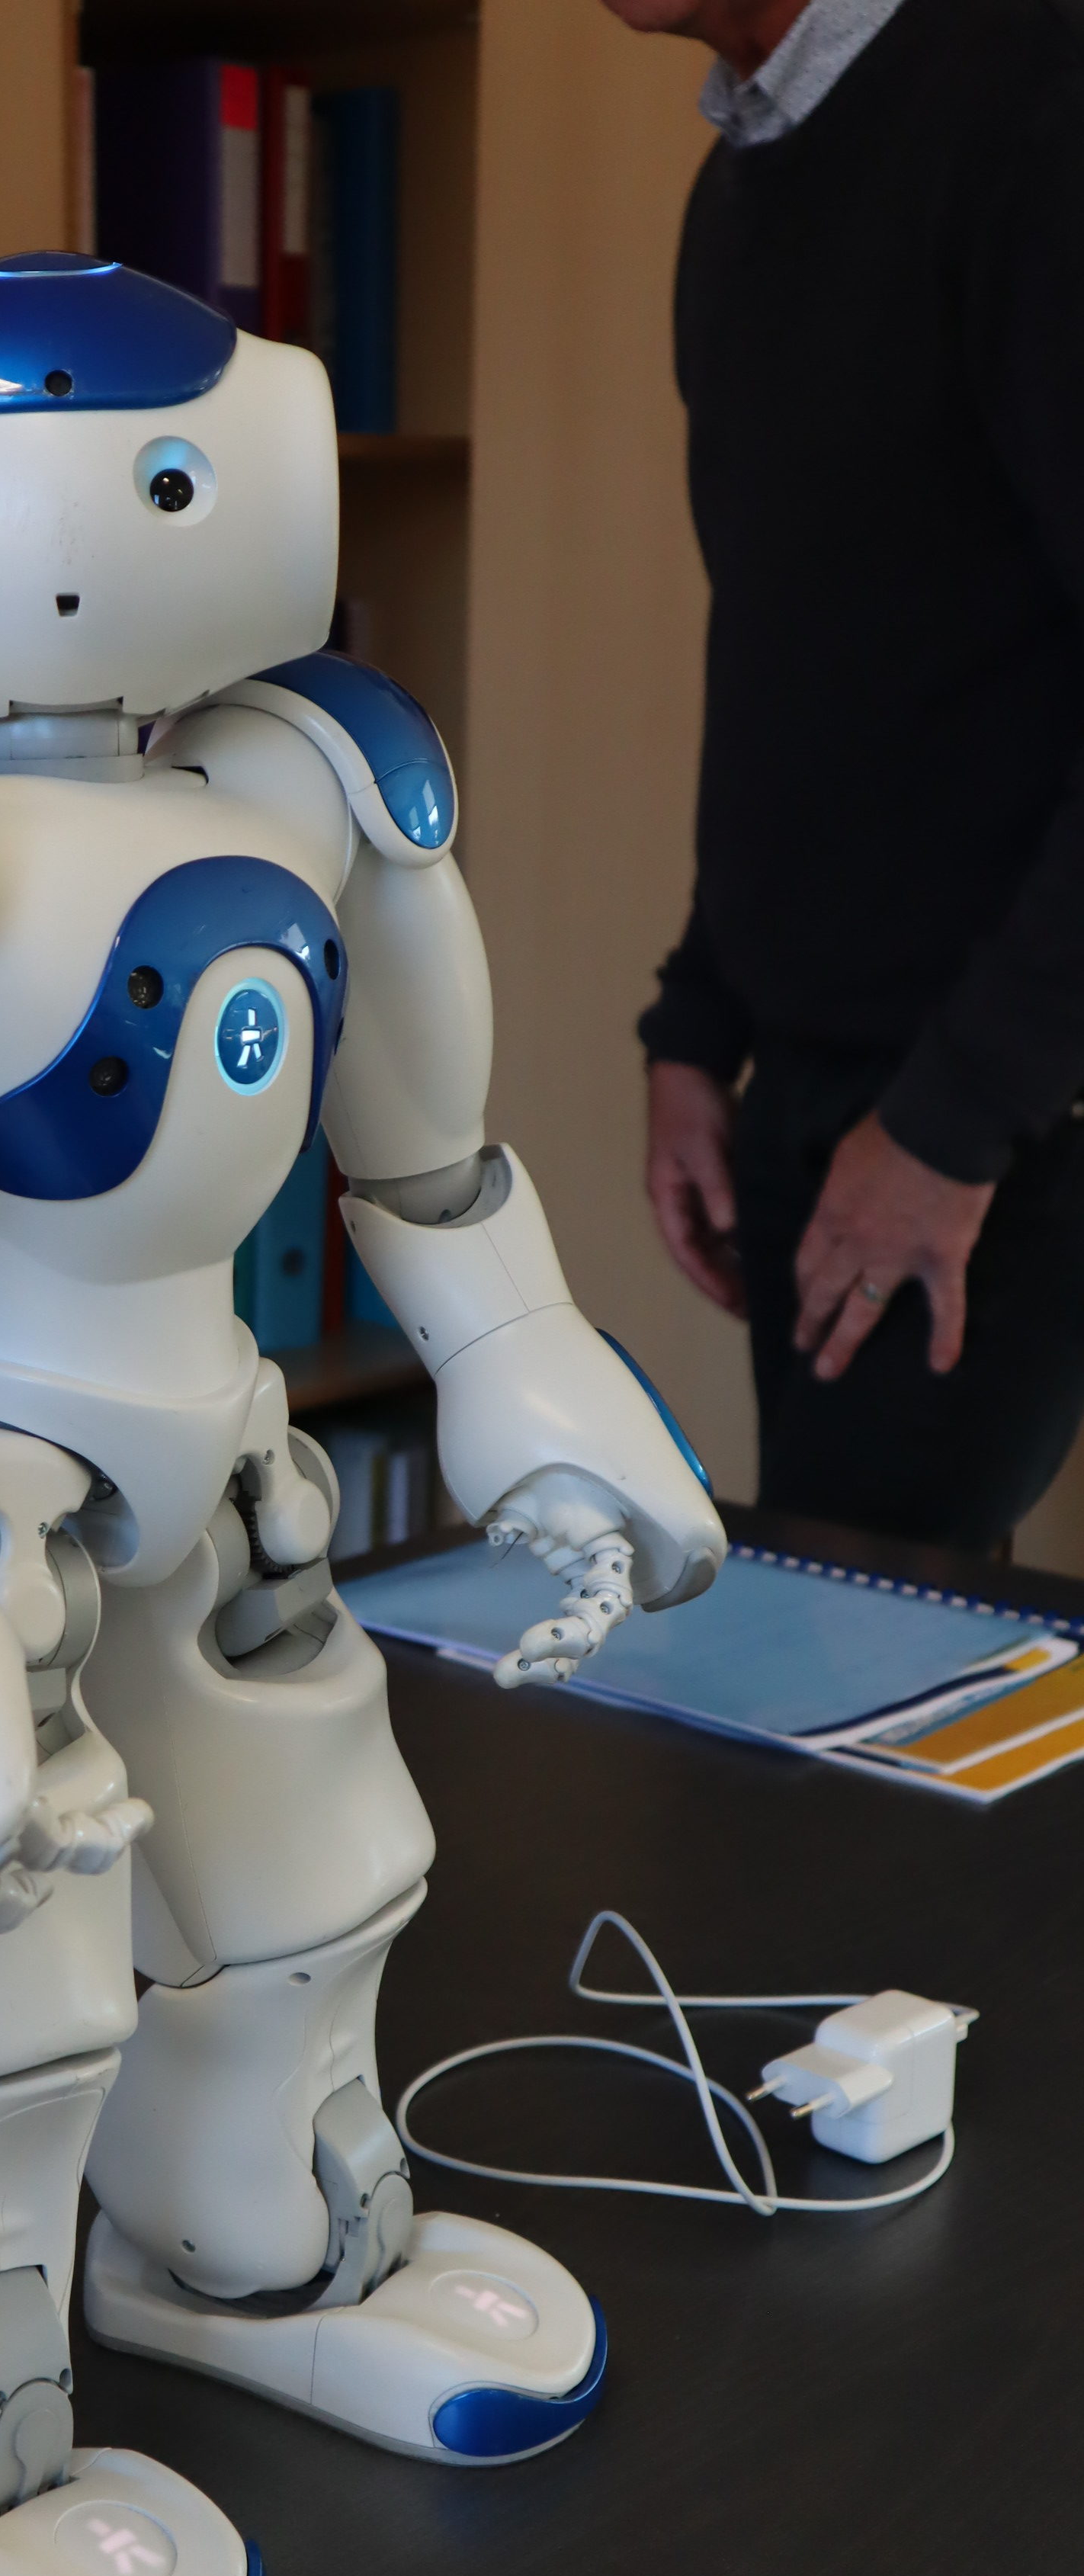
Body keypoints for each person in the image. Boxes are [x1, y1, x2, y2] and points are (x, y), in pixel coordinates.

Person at [603, 0, 1084, 1549]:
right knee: (832, 1624)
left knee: (867, 1658)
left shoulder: (1033, 108)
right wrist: (700, 1020)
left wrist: (952, 1123)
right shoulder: (738, 189)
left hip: (998, 1099)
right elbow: (803, 659)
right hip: (818, 1091)